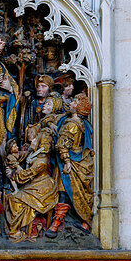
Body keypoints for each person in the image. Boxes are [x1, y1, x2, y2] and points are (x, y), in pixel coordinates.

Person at [49, 93, 94, 236]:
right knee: (81, 193)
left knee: (64, 192)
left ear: (79, 108)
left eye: (74, 101)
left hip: (69, 163)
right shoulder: (83, 124)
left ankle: (55, 224)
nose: (71, 103)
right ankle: (85, 223)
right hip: (81, 160)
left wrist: (67, 161)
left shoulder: (71, 125)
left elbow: (62, 145)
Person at [3, 123, 58, 242]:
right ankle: (17, 229)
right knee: (12, 197)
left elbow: (25, 176)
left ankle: (15, 231)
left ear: (40, 143)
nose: (31, 140)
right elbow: (18, 156)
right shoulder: (35, 154)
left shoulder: (41, 161)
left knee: (16, 199)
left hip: (43, 189)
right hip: (36, 185)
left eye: (34, 138)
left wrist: (12, 174)